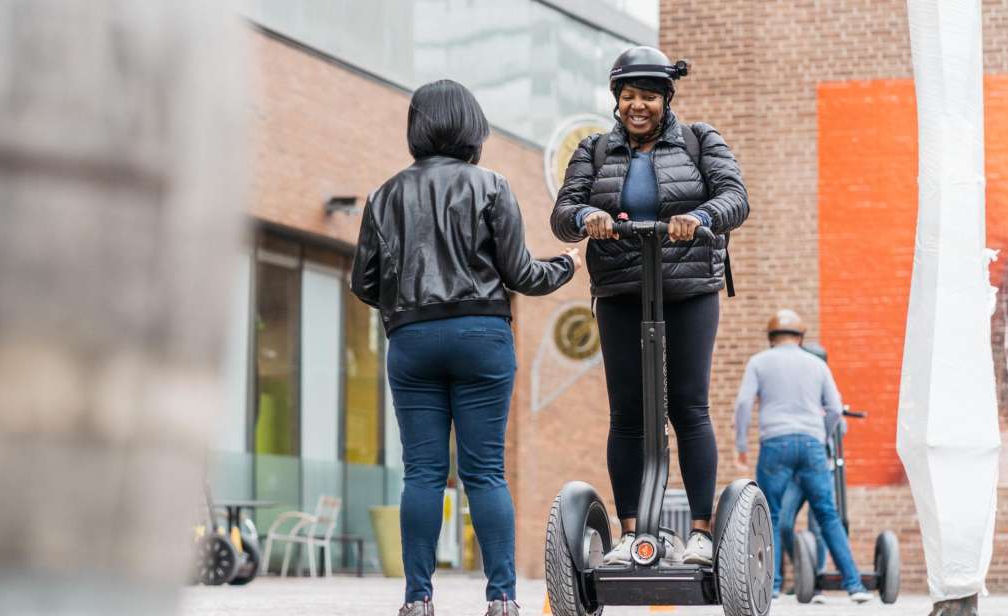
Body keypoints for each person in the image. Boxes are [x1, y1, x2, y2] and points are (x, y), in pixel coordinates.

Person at [352, 79, 579, 616]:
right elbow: (522, 274)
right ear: (473, 128)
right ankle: (501, 599)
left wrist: (403, 303)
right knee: (485, 472)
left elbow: (363, 283)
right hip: (481, 335)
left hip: (410, 339)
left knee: (422, 474)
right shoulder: (491, 186)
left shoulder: (383, 196)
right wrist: (567, 263)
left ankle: (418, 599)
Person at [549, 45, 748, 566]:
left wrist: (700, 216)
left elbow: (736, 198)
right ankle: (632, 535)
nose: (638, 106)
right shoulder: (593, 150)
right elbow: (563, 212)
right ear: (617, 99)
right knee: (629, 415)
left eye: (649, 97)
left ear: (666, 99)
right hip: (620, 290)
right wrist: (587, 215)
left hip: (687, 290)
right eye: (629, 96)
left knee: (688, 406)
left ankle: (701, 534)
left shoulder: (700, 140)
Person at [733, 309, 873, 603]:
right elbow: (834, 409)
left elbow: (744, 403)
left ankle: (771, 587)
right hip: (812, 444)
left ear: (771, 337)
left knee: (769, 514)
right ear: (801, 336)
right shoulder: (816, 365)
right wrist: (819, 435)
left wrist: (742, 445)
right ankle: (855, 586)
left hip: (775, 442)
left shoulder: (759, 362)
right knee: (828, 515)